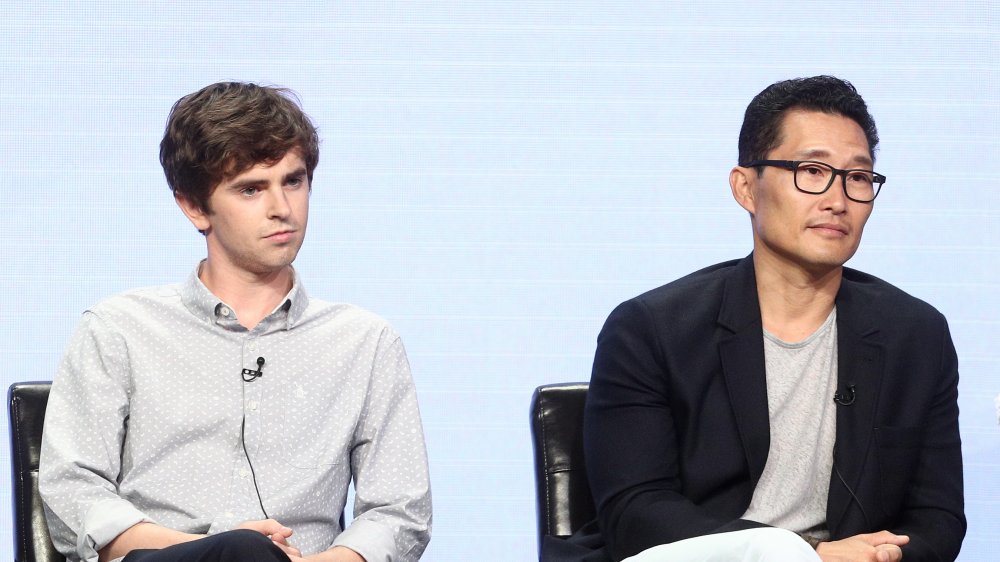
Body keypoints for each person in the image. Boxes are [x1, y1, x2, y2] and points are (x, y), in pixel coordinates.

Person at [548, 76, 965, 562]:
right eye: (812, 170)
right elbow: (636, 513)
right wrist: (807, 556)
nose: (838, 199)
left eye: (858, 177)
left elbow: (938, 517)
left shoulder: (916, 335)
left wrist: (879, 557)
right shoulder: (650, 329)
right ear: (746, 188)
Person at [39, 82, 432, 562]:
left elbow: (399, 512)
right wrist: (218, 552)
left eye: (294, 181)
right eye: (251, 189)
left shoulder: (365, 342)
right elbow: (73, 493)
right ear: (194, 207)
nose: (282, 209)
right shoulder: (119, 330)